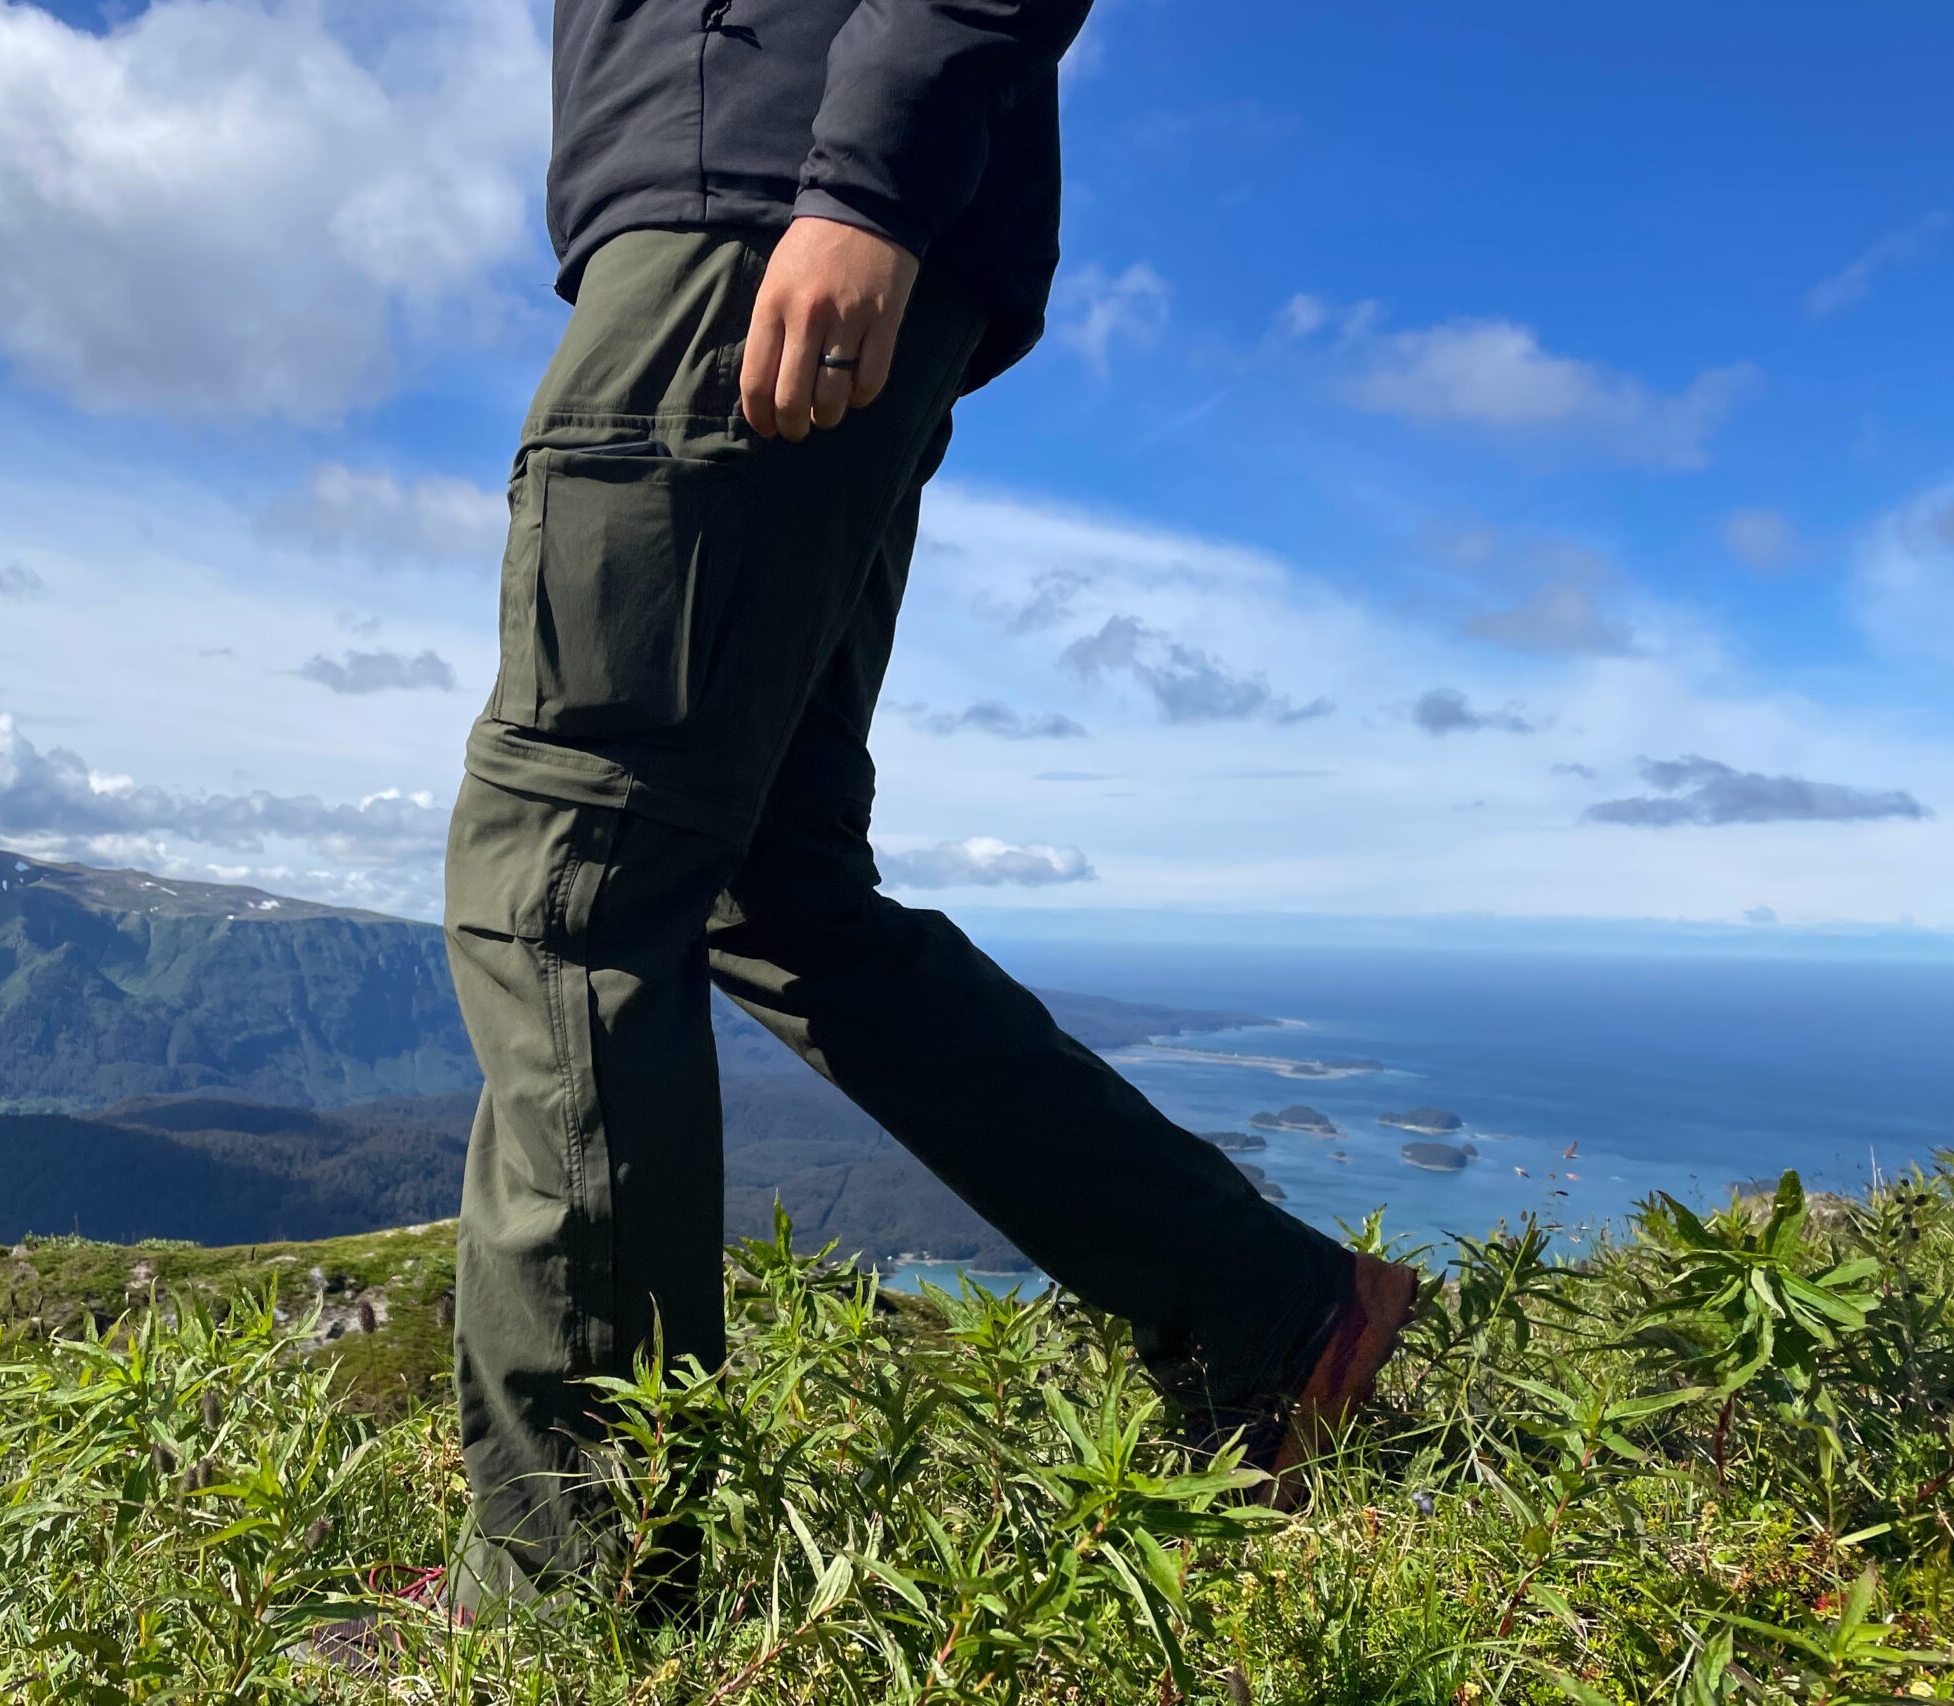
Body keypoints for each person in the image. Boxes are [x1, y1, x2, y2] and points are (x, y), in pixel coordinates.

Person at [441, 0, 1416, 1610]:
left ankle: (575, 1592)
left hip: (753, 217)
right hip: (782, 206)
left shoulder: (809, 186)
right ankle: (1274, 1315)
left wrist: (866, 180)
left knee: (567, 870)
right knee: (770, 882)